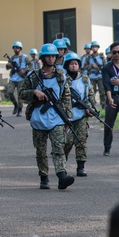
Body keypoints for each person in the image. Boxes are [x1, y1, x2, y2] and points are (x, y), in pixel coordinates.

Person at [20, 43, 75, 190]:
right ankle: (44, 176)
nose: (51, 59)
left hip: (56, 116)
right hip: (39, 117)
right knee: (41, 150)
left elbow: (66, 97)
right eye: (48, 56)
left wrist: (67, 117)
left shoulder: (61, 76)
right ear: (43, 58)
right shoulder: (33, 76)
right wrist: (34, 93)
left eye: (53, 56)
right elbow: (21, 94)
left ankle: (62, 175)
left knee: (58, 146)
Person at [62, 52, 91, 178]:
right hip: (66, 115)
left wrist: (89, 107)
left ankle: (81, 167)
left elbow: (89, 96)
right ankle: (62, 165)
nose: (74, 66)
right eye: (71, 64)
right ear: (67, 65)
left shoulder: (85, 80)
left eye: (76, 63)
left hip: (81, 115)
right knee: (66, 142)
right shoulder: (62, 79)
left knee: (81, 141)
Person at [6, 41, 31, 116]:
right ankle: (15, 104)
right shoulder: (11, 58)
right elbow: (7, 67)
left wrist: (24, 71)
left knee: (20, 95)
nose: (16, 49)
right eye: (15, 47)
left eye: (18, 48)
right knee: (9, 92)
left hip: (21, 79)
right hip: (13, 78)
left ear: (20, 49)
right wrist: (8, 65)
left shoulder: (25, 57)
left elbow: (30, 66)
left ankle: (19, 109)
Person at [83, 41, 104, 109]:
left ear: (98, 48)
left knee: (102, 91)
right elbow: (84, 67)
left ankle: (103, 105)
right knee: (92, 92)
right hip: (92, 76)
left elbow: (106, 66)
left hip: (100, 76)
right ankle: (92, 106)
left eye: (96, 47)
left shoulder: (102, 57)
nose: (94, 48)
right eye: (93, 47)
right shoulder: (89, 58)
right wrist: (91, 65)